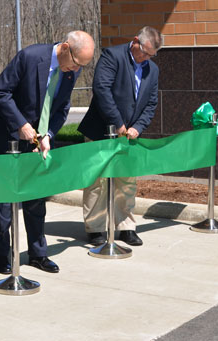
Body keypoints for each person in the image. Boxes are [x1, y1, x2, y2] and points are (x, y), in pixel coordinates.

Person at [0, 31, 95, 275]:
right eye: (76, 63)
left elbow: (62, 108)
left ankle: (38, 253)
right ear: (65, 48)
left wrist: (48, 135)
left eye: (81, 67)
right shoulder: (30, 56)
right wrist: (20, 124)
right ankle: (2, 254)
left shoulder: (71, 71)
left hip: (37, 140)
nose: (76, 70)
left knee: (36, 198)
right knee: (4, 198)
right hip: (7, 135)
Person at [78, 26, 162, 247]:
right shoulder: (112, 56)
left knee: (127, 181)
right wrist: (118, 124)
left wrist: (137, 128)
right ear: (135, 41)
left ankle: (126, 227)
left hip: (129, 135)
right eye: (144, 52)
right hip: (100, 130)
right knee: (96, 181)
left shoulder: (152, 70)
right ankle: (95, 228)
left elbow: (151, 103)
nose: (146, 58)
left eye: (151, 55)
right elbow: (102, 89)